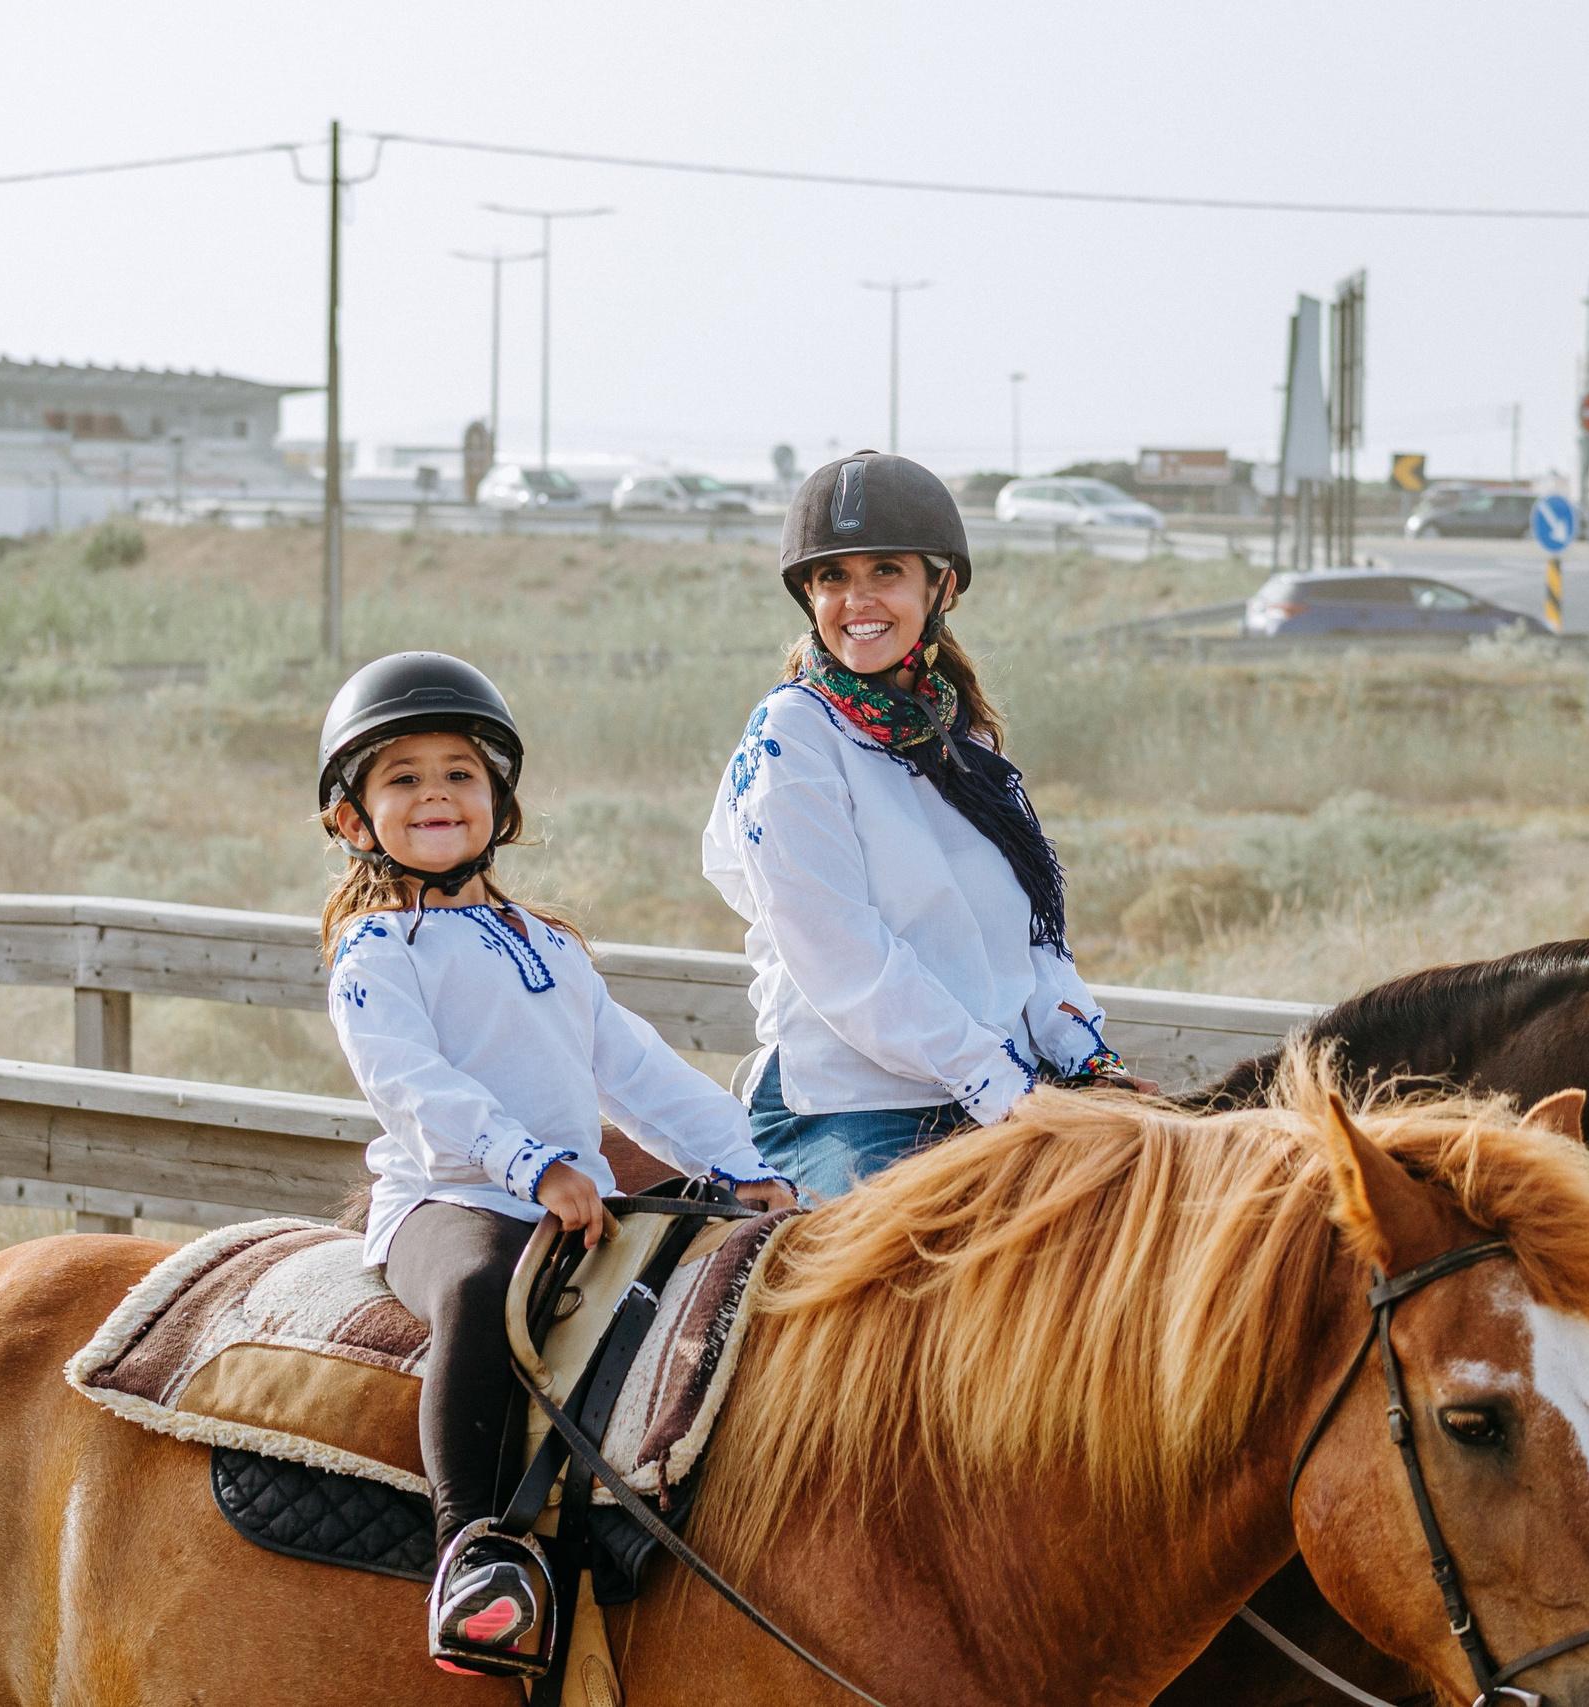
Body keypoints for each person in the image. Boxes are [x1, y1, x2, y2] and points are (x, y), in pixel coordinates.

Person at [316, 651, 794, 1680]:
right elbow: (413, 1087)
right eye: (402, 778)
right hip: (451, 1195)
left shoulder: (548, 945)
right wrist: (528, 1164)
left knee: (721, 1265)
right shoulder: (375, 952)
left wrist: (742, 1161)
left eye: (459, 772)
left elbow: (639, 1070)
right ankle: (473, 1551)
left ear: (500, 801)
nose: (436, 793)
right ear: (353, 819)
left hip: (566, 1191)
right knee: (487, 1290)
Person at [702, 451, 1153, 1204]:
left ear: (940, 587)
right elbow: (845, 960)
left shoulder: (965, 744)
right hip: (851, 1105)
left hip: (993, 1084)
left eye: (885, 571)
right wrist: (1005, 1088)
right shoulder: (791, 737)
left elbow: (1031, 939)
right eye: (832, 577)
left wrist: (1085, 1057)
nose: (858, 599)